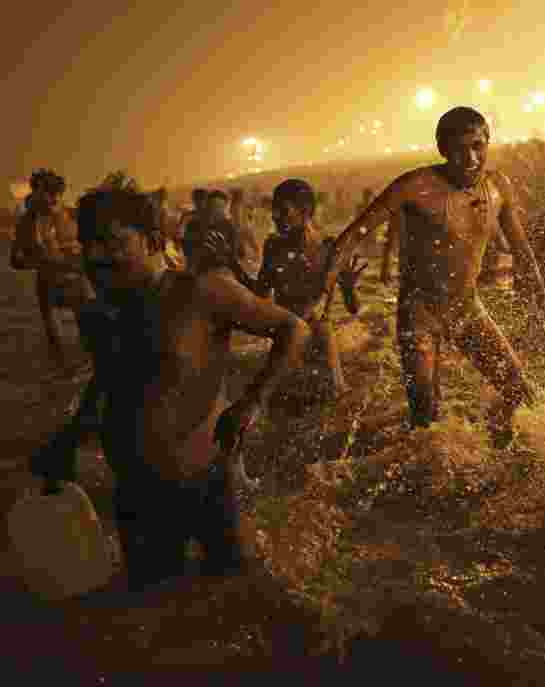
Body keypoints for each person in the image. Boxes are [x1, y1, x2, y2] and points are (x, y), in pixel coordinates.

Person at [30, 186, 311, 589]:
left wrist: (252, 402)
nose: (95, 256)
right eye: (88, 244)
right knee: (154, 616)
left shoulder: (201, 292)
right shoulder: (102, 312)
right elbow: (110, 378)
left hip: (209, 484)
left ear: (154, 241)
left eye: (111, 242)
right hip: (136, 492)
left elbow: (293, 329)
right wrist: (70, 438)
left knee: (242, 604)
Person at [328, 106, 545, 445]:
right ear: (444, 150)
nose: (471, 158)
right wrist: (329, 281)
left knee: (519, 391)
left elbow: (522, 250)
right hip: (420, 314)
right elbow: (354, 234)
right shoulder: (415, 185)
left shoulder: (498, 186)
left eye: (478, 146)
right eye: (460, 150)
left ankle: (496, 449)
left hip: (467, 309)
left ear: (488, 142)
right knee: (425, 419)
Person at [229, 179, 355, 396]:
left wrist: (350, 288)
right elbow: (260, 294)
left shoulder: (330, 249)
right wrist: (232, 265)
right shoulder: (273, 246)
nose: (275, 216)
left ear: (305, 211)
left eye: (283, 210)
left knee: (332, 405)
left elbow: (353, 309)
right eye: (274, 209)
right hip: (286, 337)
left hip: (319, 340)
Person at [10, 169, 96, 369]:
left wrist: (75, 259)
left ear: (56, 195)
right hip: (47, 283)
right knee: (55, 338)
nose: (43, 198)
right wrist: (37, 262)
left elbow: (92, 247)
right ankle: (63, 371)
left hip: (77, 281)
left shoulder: (72, 215)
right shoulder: (26, 222)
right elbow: (15, 260)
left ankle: (91, 369)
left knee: (89, 333)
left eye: (50, 195)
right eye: (38, 192)